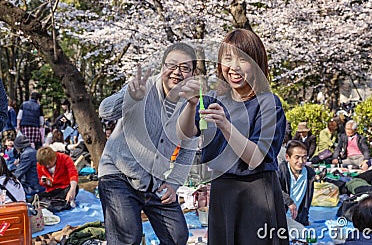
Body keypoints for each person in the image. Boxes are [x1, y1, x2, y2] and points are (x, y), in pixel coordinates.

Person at [177, 29, 289, 244]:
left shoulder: (268, 103)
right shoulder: (215, 99)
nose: (234, 67)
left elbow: (255, 158)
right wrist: (191, 105)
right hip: (222, 189)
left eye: (243, 60)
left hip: (256, 192)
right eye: (228, 59)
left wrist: (226, 126)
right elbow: (185, 133)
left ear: (256, 64)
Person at [98, 42, 199, 245]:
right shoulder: (142, 87)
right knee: (128, 236)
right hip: (119, 174)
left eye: (185, 68)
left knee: (177, 236)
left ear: (193, 74)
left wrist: (173, 183)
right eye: (172, 65)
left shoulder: (190, 101)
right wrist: (129, 98)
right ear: (162, 66)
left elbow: (188, 148)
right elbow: (104, 112)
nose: (177, 73)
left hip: (155, 182)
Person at [279, 140, 315, 226]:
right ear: (287, 157)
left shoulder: (309, 174)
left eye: (304, 157)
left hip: (297, 220)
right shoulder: (280, 171)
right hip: (279, 218)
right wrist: (289, 202)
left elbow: (307, 201)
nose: (301, 161)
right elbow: (275, 190)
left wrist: (304, 220)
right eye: (297, 157)